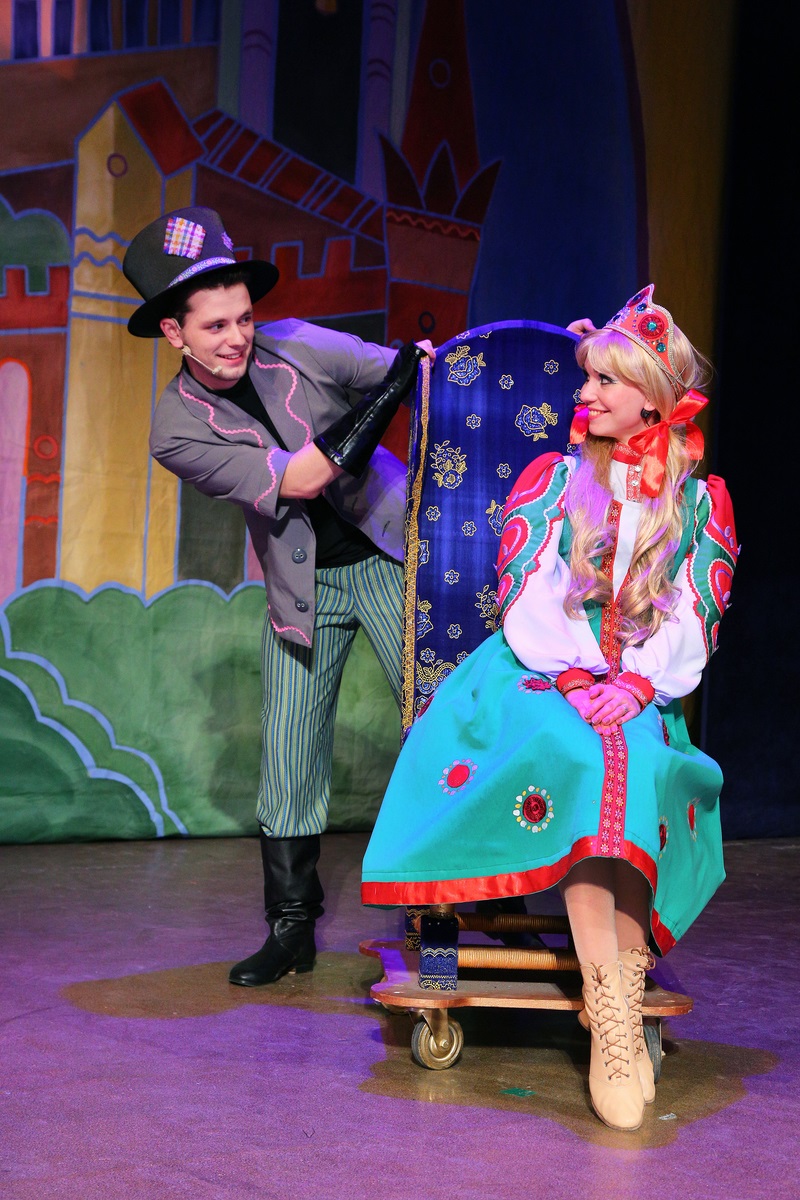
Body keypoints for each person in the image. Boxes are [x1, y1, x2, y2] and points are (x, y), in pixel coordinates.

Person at [361, 285, 739, 1132]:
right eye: (587, 378)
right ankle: (613, 1019)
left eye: (606, 381)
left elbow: (696, 613)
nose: (586, 393)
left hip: (640, 682)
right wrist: (575, 678)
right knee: (577, 753)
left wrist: (635, 684)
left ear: (653, 398)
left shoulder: (698, 501)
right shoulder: (557, 480)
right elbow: (527, 591)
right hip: (533, 673)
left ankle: (618, 1011)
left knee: (631, 755)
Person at [123, 206, 434, 988]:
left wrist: (419, 367)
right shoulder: (174, 427)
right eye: (215, 326)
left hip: (389, 557)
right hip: (303, 585)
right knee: (289, 753)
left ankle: (468, 900)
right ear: (175, 334)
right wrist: (386, 396)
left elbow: (411, 368)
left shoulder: (296, 342)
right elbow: (300, 479)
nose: (237, 337)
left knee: (439, 724)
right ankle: (291, 927)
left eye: (244, 318)